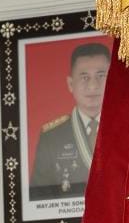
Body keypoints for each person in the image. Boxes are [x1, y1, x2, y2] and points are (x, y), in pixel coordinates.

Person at [29, 41, 110, 200]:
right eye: (84, 77)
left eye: (101, 76)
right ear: (71, 84)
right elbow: (39, 199)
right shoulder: (51, 138)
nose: (93, 86)